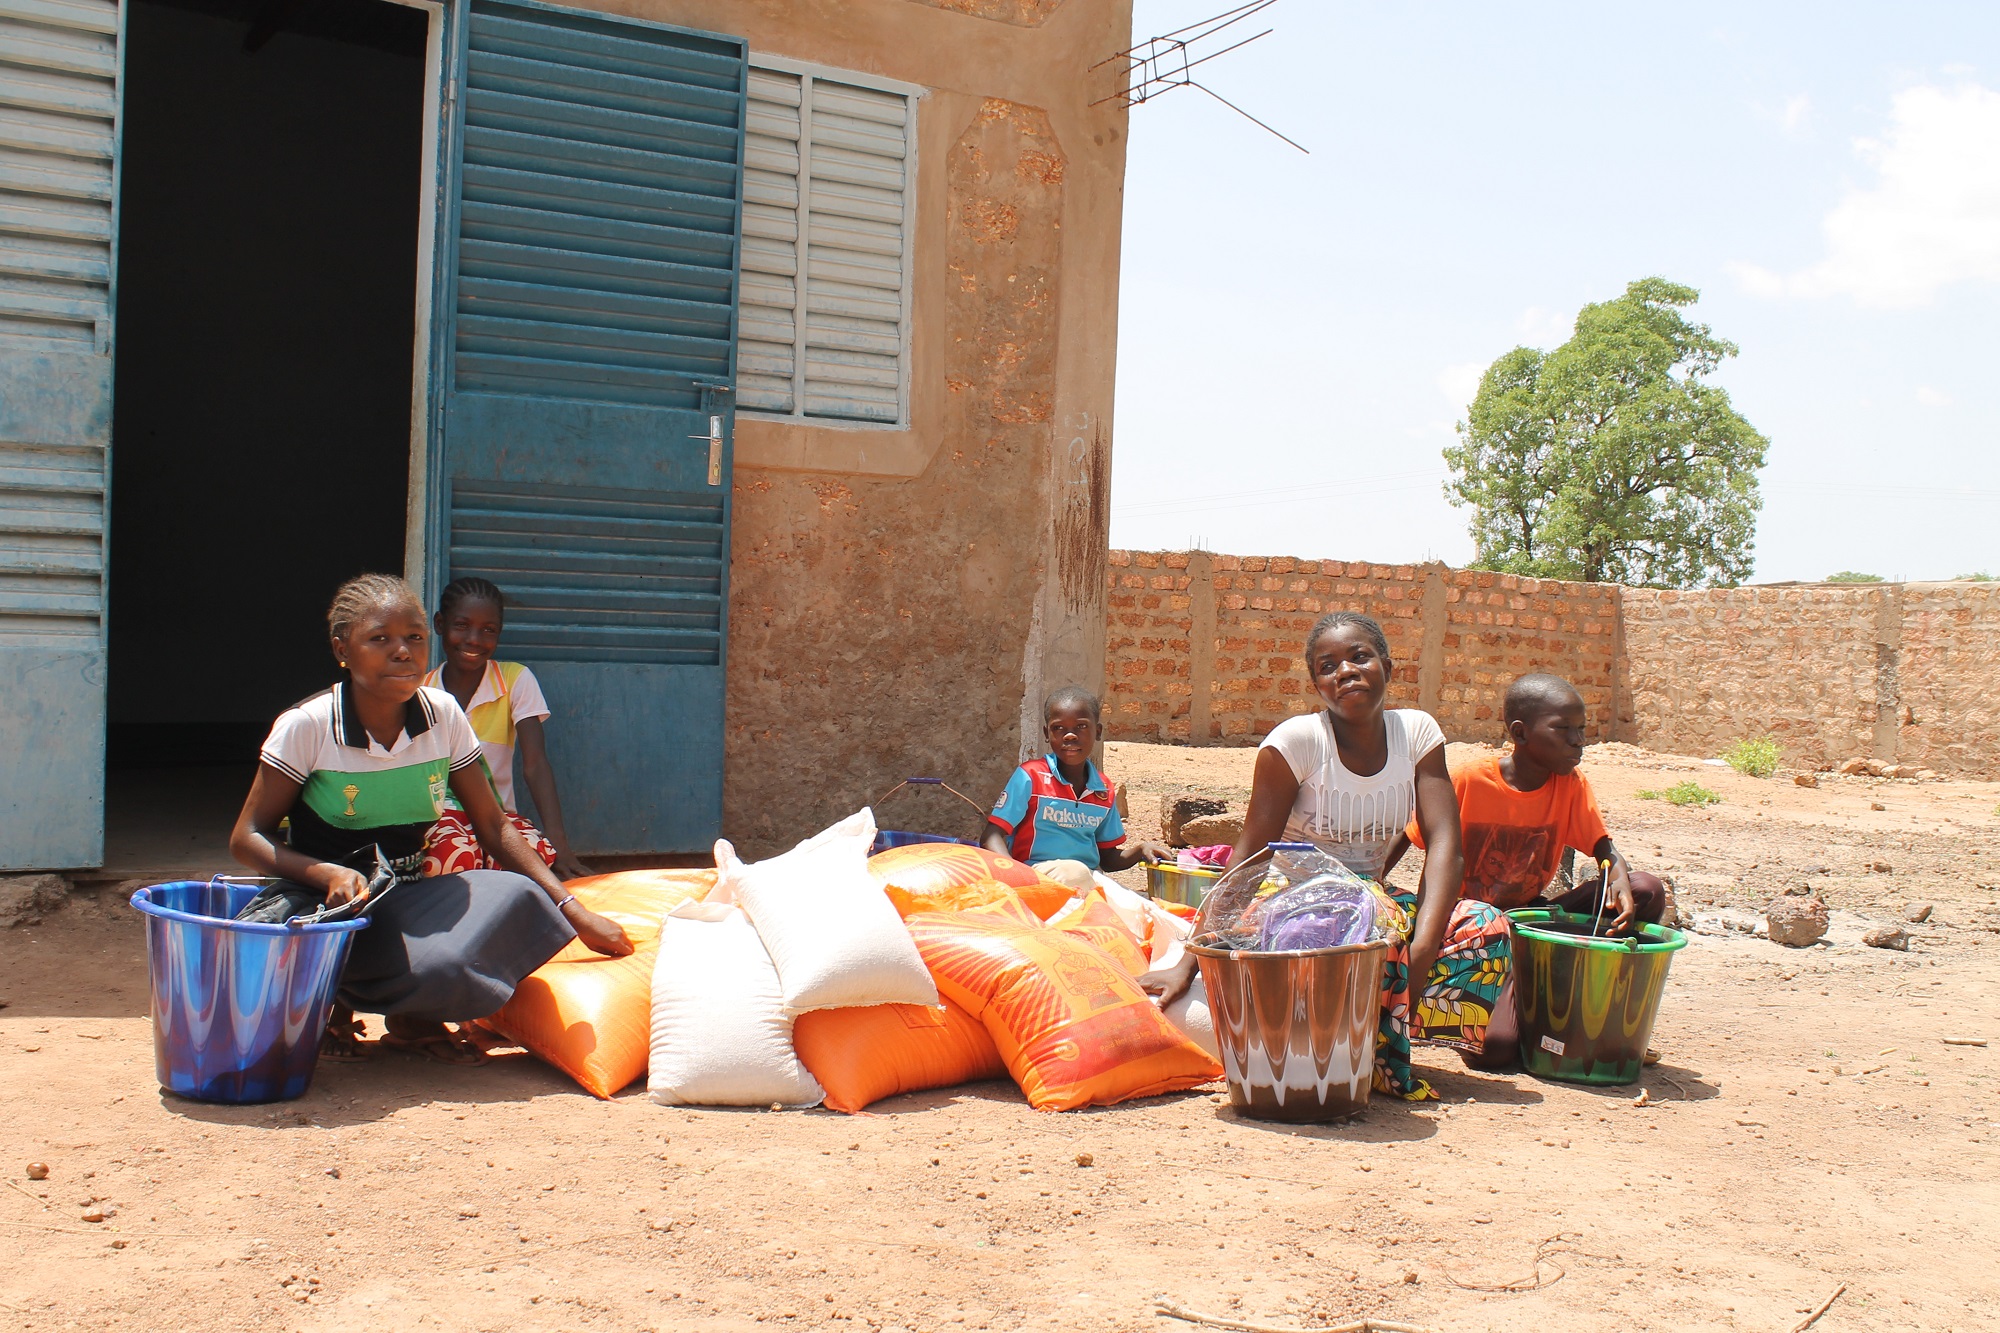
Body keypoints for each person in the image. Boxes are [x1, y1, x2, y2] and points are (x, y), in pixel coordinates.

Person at [229, 574, 632, 1064]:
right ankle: (330, 1006)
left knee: (520, 898)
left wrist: (574, 910)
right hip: (326, 906)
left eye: (414, 638)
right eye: (380, 639)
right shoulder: (308, 726)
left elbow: (494, 825)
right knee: (282, 946)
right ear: (342, 649)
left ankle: (410, 1017)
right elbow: (247, 838)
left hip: (406, 893)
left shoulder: (442, 716)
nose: (403, 651)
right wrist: (327, 873)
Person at [1139, 612, 1509, 1099]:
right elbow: (1249, 855)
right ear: (1317, 685)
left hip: (1375, 905)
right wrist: (1189, 963)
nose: (1347, 671)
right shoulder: (1296, 744)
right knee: (1373, 928)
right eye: (1328, 666)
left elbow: (1446, 845)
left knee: (1485, 926)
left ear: (1388, 668)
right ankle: (1354, 1042)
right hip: (1294, 905)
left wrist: (1423, 949)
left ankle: (1375, 1033)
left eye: (1360, 657)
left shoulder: (1417, 735)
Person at [1384, 671, 1668, 1068]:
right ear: (1520, 733)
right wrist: (1377, 886)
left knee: (1646, 891)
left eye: (1582, 729)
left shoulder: (1569, 784)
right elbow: (1408, 833)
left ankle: (1594, 1013)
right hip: (1472, 933)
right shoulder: (1470, 780)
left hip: (1530, 923)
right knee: (1496, 1053)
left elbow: (1604, 848)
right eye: (1563, 729)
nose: (1578, 740)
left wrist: (1616, 872)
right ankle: (1526, 1001)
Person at [423, 576, 589, 880]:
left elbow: (535, 765)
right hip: (439, 816)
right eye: (462, 625)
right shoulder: (421, 691)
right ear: (439, 624)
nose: (474, 639)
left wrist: (560, 846)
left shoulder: (515, 680)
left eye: (489, 630)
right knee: (452, 858)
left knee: (535, 859)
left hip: (497, 818)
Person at [983, 685, 1169, 890]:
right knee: (1075, 874)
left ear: (1097, 732)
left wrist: (1141, 850)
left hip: (1088, 878)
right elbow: (991, 836)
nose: (1070, 735)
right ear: (1047, 733)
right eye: (1058, 728)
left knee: (1138, 909)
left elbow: (1107, 858)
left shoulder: (1103, 789)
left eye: (1080, 726)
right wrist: (1014, 876)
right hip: (1036, 876)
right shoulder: (1031, 776)